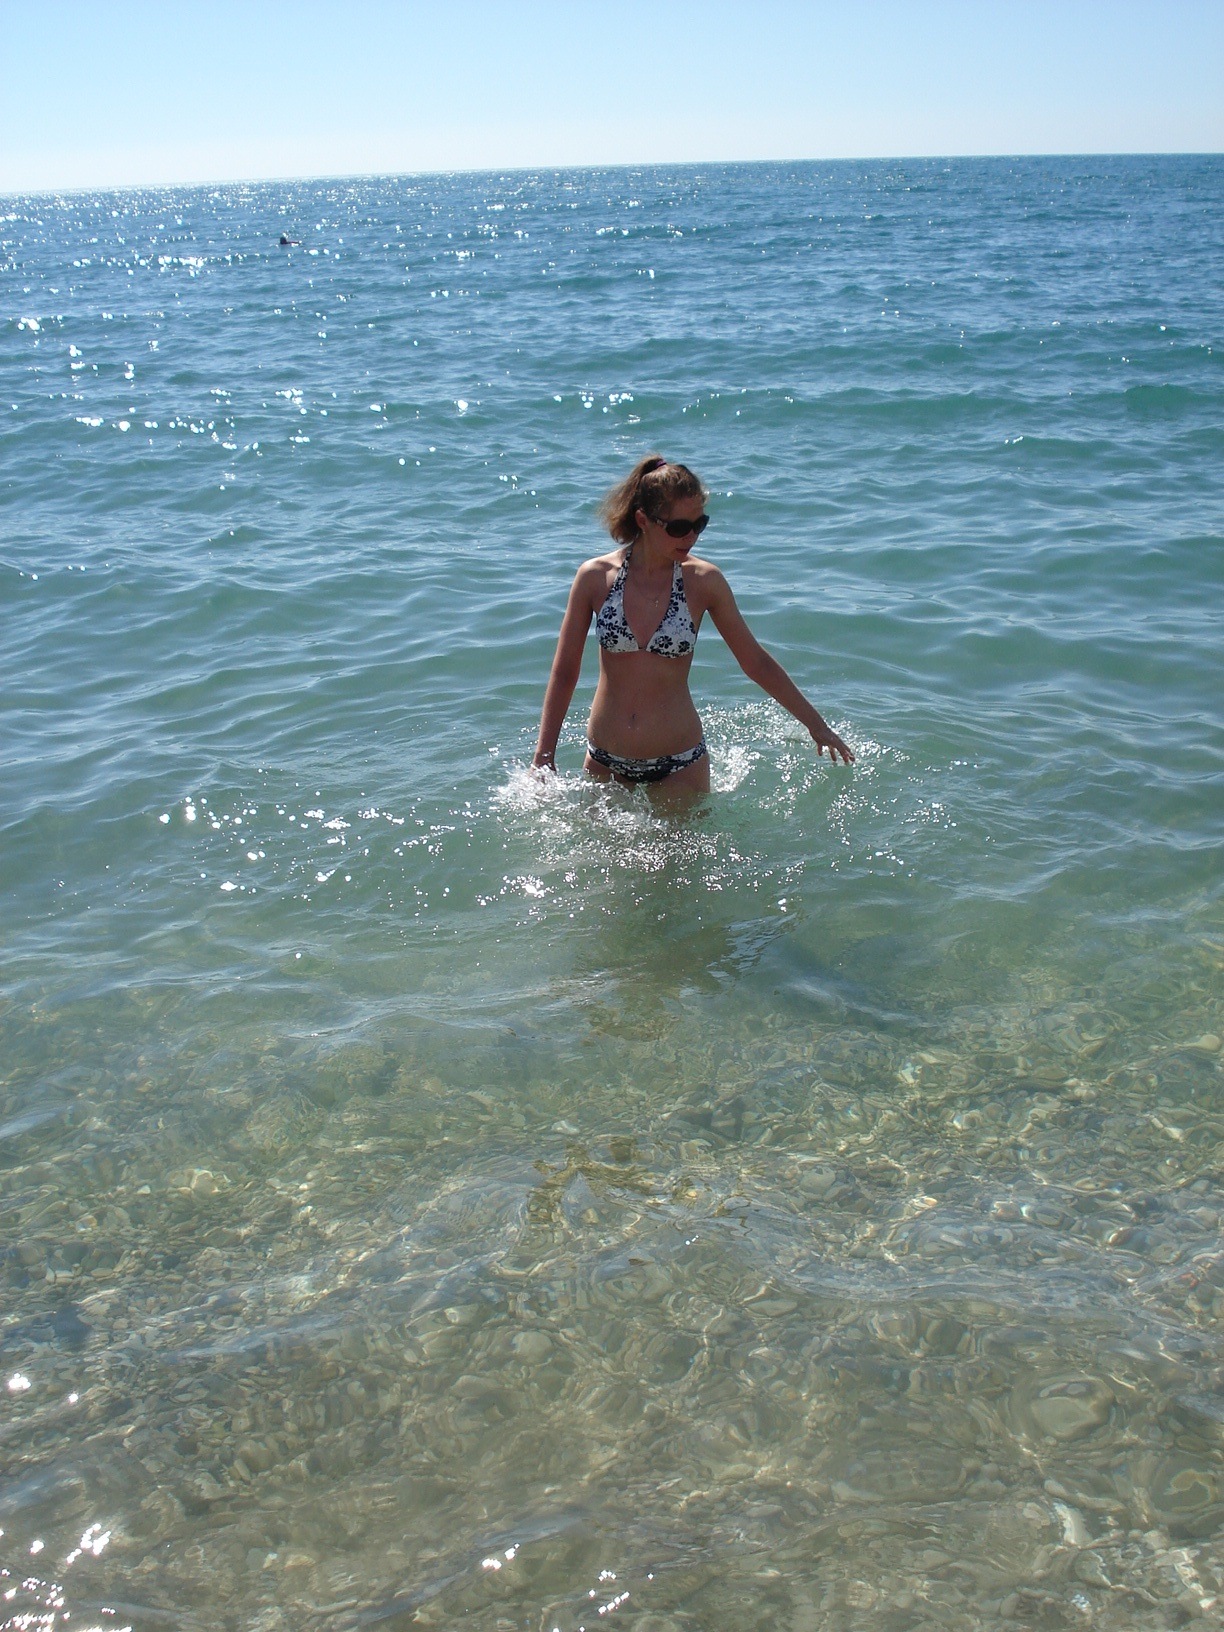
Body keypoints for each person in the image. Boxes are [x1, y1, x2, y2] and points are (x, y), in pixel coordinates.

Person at [533, 455, 854, 793]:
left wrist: (816, 725)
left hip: (680, 764)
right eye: (678, 528)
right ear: (643, 520)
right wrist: (544, 755)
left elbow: (755, 662)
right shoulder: (595, 578)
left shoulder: (704, 581)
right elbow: (565, 671)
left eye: (699, 525)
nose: (691, 537)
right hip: (605, 760)